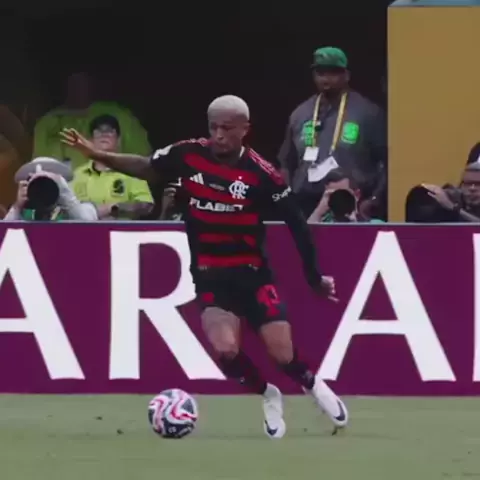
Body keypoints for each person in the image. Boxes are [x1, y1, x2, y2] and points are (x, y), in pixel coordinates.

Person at [61, 94, 348, 438]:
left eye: (227, 128)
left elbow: (297, 224)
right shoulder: (187, 154)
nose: (219, 135)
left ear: (244, 129)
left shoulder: (261, 174)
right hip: (211, 276)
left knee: (284, 357)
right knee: (226, 350)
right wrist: (96, 153)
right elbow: (146, 166)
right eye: (214, 127)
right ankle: (268, 394)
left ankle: (314, 385)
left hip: (254, 276)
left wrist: (314, 277)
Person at [278, 47, 387, 219]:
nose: (326, 78)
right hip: (305, 203)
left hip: (349, 203)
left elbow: (386, 163)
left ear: (346, 75)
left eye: (333, 72)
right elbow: (286, 163)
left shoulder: (368, 113)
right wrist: (287, 201)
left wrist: (374, 199)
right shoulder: (300, 113)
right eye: (320, 73)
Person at [34, 72, 151, 171]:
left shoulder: (118, 115)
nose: (78, 88)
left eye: (82, 82)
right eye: (73, 82)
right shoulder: (48, 122)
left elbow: (144, 160)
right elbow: (38, 165)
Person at [71, 115, 153, 220]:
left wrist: (115, 208)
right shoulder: (77, 174)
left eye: (110, 131)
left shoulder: (131, 171)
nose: (104, 134)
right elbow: (65, 208)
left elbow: (147, 205)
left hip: (121, 230)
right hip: (85, 230)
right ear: (90, 141)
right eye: (98, 131)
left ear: (118, 140)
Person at [4, 157, 97, 221]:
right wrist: (17, 207)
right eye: (39, 185)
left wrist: (65, 193)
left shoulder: (78, 209)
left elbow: (89, 223)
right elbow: (4, 234)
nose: (43, 188)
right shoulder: (26, 214)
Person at [308, 168, 385, 223]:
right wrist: (319, 211)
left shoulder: (374, 224)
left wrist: (353, 222)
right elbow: (307, 237)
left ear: (357, 195)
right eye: (333, 195)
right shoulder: (321, 224)